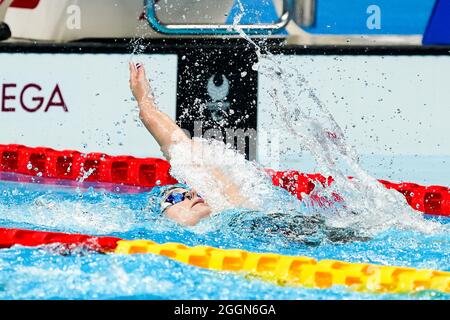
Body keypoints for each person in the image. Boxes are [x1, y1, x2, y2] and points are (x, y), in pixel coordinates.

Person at [129, 62, 254, 226]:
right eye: (174, 197)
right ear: (161, 220)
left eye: (187, 191)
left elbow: (181, 145)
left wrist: (145, 103)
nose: (192, 194)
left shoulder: (235, 210)